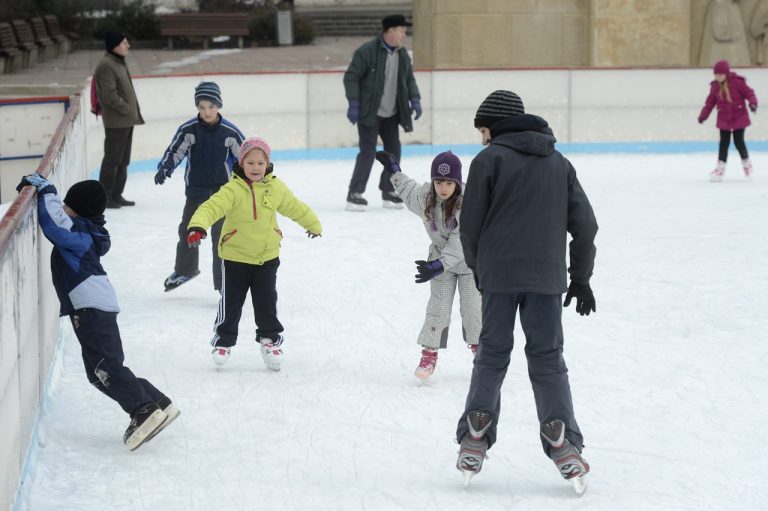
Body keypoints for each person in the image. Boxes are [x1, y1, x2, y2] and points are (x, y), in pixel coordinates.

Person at [454, 90, 598, 492]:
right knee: (548, 358)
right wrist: (581, 277)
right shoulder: (559, 163)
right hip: (546, 279)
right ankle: (562, 437)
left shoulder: (488, 160)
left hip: (498, 277)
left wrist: (483, 272)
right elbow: (585, 226)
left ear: (494, 125)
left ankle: (476, 431)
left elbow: (470, 226)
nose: (482, 137)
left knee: (493, 353)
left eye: (484, 129)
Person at [16, 175, 179, 451]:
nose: (63, 210)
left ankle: (142, 409)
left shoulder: (79, 232)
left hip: (90, 306)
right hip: (94, 303)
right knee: (98, 372)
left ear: (77, 209)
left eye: (67, 206)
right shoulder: (88, 230)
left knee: (106, 368)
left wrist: (47, 191)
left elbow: (55, 225)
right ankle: (157, 401)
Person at [186, 137, 322, 369]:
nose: (255, 168)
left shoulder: (275, 187)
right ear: (241, 163)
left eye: (260, 163)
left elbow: (294, 206)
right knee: (231, 302)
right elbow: (212, 206)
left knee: (266, 300)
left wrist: (312, 224)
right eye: (250, 163)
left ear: (267, 163)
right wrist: (198, 225)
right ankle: (223, 340)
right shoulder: (232, 189)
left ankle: (269, 340)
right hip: (235, 258)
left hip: (266, 257)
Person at [375, 149, 480, 381]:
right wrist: (394, 172)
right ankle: (429, 354)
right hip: (439, 262)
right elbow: (408, 190)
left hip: (470, 264)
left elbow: (460, 241)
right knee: (438, 308)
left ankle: (481, 356)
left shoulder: (468, 204)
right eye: (438, 181)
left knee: (473, 310)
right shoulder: (426, 198)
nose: (443, 188)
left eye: (449, 182)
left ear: (457, 183)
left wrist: (438, 266)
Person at [155, 81, 245, 292]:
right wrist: (165, 167)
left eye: (211, 107)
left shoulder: (229, 132)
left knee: (221, 239)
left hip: (223, 194)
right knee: (188, 230)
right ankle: (186, 270)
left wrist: (256, 179)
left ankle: (225, 283)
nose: (207, 112)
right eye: (202, 107)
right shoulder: (189, 130)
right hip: (196, 192)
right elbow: (175, 151)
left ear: (219, 106)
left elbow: (246, 157)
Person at [343, 14, 421, 211]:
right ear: (390, 31)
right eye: (402, 31)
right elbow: (351, 76)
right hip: (370, 112)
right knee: (368, 152)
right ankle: (355, 193)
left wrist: (415, 99)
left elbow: (409, 80)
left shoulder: (402, 54)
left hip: (391, 114)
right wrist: (354, 103)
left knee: (393, 151)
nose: (404, 35)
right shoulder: (367, 51)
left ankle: (388, 191)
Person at [93, 30, 144, 209]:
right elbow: (108, 95)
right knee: (112, 160)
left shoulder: (119, 62)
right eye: (124, 42)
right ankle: (104, 197)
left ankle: (116, 194)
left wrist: (130, 112)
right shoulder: (107, 65)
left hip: (126, 120)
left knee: (123, 161)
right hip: (117, 122)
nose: (127, 45)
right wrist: (127, 108)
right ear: (115, 46)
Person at [698, 59, 758, 182]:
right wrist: (703, 116)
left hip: (739, 117)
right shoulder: (715, 87)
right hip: (724, 119)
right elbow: (709, 103)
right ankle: (720, 170)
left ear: (726, 73)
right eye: (716, 74)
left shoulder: (737, 82)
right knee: (723, 144)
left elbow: (749, 93)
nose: (718, 77)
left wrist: (753, 103)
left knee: (738, 142)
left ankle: (747, 165)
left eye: (720, 74)